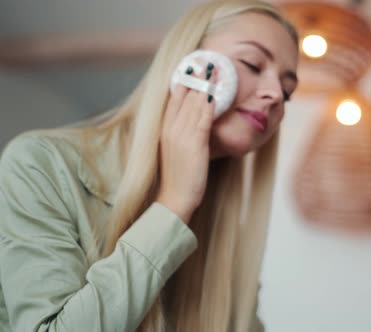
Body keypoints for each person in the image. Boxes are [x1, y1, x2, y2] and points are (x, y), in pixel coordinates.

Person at [0, 0, 299, 331]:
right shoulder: (39, 164)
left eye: (287, 92)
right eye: (252, 64)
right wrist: (173, 205)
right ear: (188, 63)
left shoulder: (226, 232)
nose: (274, 94)